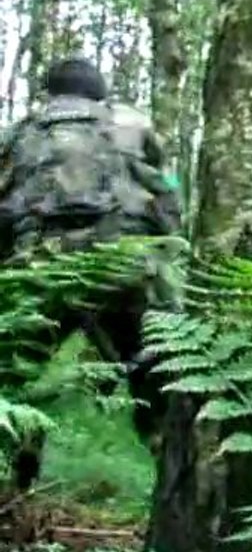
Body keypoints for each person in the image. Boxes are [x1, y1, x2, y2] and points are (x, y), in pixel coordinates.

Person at [0, 57, 183, 490]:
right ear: (99, 93)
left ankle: (18, 476)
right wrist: (167, 253)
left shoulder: (19, 134)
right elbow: (167, 193)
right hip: (126, 269)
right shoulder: (133, 126)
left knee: (15, 379)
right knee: (157, 376)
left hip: (40, 270)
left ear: (49, 93)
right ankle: (174, 485)